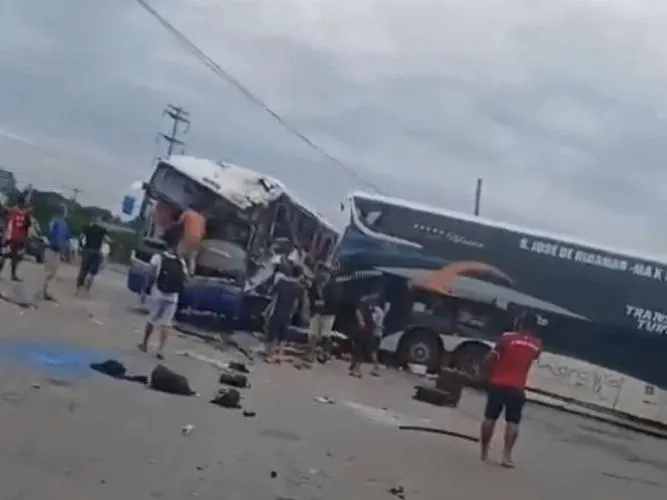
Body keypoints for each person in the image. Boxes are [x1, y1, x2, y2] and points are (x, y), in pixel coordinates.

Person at [480, 310, 543, 468]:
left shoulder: (506, 338)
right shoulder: (537, 345)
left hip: (498, 384)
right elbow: (532, 357)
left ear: (520, 323)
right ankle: (506, 456)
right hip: (517, 388)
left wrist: (485, 372)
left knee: (490, 418)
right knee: (513, 422)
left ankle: (484, 451)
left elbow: (491, 357)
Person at [138, 235, 187, 360]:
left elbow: (151, 274)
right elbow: (186, 279)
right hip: (173, 296)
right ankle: (161, 350)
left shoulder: (158, 257)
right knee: (166, 323)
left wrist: (145, 290)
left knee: (152, 318)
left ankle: (144, 344)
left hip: (158, 292)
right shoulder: (180, 261)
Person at [301, 263, 338, 367]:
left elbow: (336, 299)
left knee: (325, 335)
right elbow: (311, 295)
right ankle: (311, 354)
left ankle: (326, 353)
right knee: (313, 334)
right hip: (316, 312)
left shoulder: (333, 285)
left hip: (328, 313)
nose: (320, 274)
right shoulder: (315, 283)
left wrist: (324, 304)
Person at [264, 263, 302, 364]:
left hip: (277, 310)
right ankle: (279, 355)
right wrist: (292, 314)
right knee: (283, 335)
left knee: (273, 333)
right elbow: (296, 303)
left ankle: (270, 354)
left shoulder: (281, 282)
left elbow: (273, 297)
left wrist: (267, 311)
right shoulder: (298, 286)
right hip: (287, 313)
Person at [1, 194, 31, 281]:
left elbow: (26, 227)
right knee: (5, 255)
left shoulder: (25, 214)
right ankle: (12, 274)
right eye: (23, 203)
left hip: (18, 239)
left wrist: (25, 239)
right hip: (11, 238)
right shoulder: (13, 212)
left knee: (16, 257)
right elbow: (8, 224)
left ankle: (13, 275)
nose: (23, 205)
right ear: (20, 202)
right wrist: (6, 236)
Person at [42, 206, 70, 300]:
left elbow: (65, 240)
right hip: (52, 249)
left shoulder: (62, 224)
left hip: (55, 250)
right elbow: (63, 239)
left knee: (52, 273)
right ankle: (46, 292)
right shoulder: (57, 223)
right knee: (50, 273)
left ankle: (46, 292)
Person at [76, 221, 107, 296]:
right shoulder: (102, 231)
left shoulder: (88, 229)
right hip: (97, 251)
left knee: (83, 270)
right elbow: (104, 240)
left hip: (88, 250)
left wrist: (81, 246)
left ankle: (78, 289)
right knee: (93, 272)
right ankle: (87, 290)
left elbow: (80, 237)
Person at [349, 294, 376, 378]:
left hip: (365, 332)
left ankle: (354, 367)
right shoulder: (364, 307)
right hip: (364, 332)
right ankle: (356, 369)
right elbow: (358, 312)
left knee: (358, 351)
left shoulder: (367, 308)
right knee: (361, 352)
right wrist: (361, 322)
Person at [176, 204, 206, 275]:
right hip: (198, 240)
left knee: (180, 254)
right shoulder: (202, 218)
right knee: (192, 257)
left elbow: (179, 223)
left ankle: (184, 270)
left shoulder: (187, 213)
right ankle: (191, 273)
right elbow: (203, 232)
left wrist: (173, 223)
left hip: (188, 238)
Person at [370, 298, 387, 376]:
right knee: (373, 351)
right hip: (378, 334)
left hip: (374, 334)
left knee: (372, 351)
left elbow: (375, 322)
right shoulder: (380, 311)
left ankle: (376, 368)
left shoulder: (376, 311)